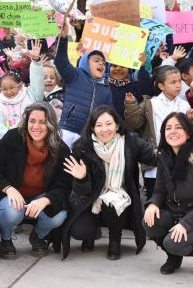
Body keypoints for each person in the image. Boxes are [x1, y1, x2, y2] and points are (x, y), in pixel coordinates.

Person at [62, 106, 156, 260]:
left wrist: (177, 148)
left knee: (111, 199)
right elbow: (80, 192)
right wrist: (82, 178)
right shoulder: (83, 147)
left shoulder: (130, 142)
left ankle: (115, 240)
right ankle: (90, 235)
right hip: (90, 200)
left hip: (119, 197)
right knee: (80, 231)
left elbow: (155, 158)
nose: (104, 129)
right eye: (98, 125)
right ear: (92, 128)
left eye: (109, 124)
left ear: (117, 125)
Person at [0, 102, 72, 260]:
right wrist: (8, 188)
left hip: (40, 196)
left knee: (58, 216)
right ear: (26, 122)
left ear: (50, 124)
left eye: (42, 122)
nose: (36, 126)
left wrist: (46, 199)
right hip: (12, 195)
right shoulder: (12, 138)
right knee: (11, 213)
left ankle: (38, 236)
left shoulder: (61, 149)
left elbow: (64, 185)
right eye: (32, 121)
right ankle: (6, 238)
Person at [144, 112, 193, 275]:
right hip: (176, 212)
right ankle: (173, 256)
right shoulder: (165, 156)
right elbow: (160, 190)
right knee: (149, 222)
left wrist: (185, 224)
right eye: (168, 128)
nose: (172, 131)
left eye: (178, 127)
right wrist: (152, 204)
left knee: (173, 243)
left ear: (188, 132)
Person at [125, 66, 193, 200]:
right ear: (161, 86)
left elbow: (192, 133)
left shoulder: (184, 105)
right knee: (155, 197)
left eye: (179, 81)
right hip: (155, 160)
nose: (178, 85)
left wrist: (192, 120)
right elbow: (134, 123)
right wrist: (131, 106)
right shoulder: (151, 103)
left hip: (179, 159)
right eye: (173, 82)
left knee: (178, 197)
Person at [55, 22, 112, 149]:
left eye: (103, 62)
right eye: (96, 60)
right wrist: (62, 39)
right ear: (85, 62)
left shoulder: (106, 88)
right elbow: (60, 61)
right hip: (67, 131)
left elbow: (108, 113)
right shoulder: (76, 75)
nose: (101, 64)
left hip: (89, 137)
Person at [0, 40, 44, 142]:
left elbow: (38, 81)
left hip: (33, 141)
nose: (8, 92)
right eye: (4, 89)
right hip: (10, 145)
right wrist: (16, 139)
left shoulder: (30, 95)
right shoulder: (0, 106)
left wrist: (36, 60)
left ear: (19, 86)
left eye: (12, 87)